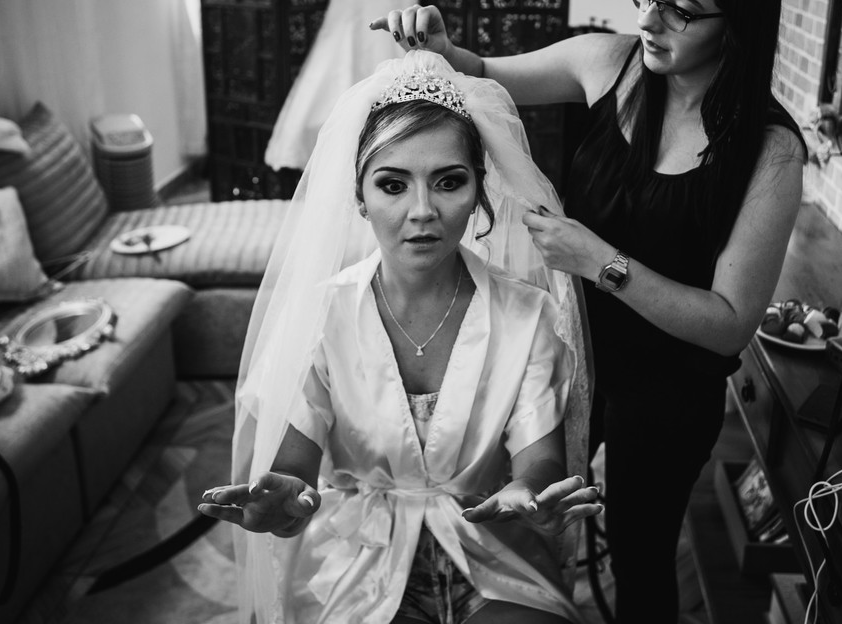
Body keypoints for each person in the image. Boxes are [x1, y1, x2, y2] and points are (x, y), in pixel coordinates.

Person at [372, 0, 808, 620]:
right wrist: (442, 47)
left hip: (666, 394)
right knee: (521, 518)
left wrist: (600, 259)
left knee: (641, 562)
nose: (649, 20)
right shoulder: (610, 64)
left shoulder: (771, 153)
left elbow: (731, 323)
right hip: (566, 353)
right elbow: (480, 73)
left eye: (681, 10)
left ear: (738, 21)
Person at [199, 50, 600, 623]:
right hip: (356, 556)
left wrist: (528, 494)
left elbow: (539, 460)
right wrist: (288, 501)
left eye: (449, 182)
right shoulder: (321, 315)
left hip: (489, 546)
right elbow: (295, 468)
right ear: (359, 198)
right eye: (392, 184)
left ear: (480, 193)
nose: (422, 210)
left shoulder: (527, 314)